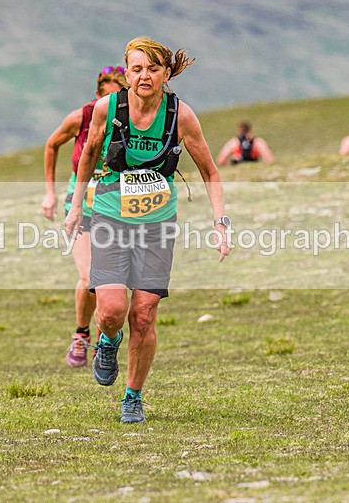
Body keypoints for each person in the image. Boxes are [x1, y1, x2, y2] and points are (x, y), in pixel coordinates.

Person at [66, 36, 231, 424]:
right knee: (111, 311)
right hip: (109, 216)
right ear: (126, 72)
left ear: (166, 73)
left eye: (153, 69)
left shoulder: (181, 116)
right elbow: (89, 153)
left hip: (157, 224)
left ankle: (133, 397)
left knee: (143, 314)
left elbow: (210, 171)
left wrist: (221, 223)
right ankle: (107, 340)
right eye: (136, 69)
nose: (144, 76)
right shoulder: (110, 107)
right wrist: (75, 207)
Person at [42, 66, 128, 368]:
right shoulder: (81, 117)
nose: (111, 104)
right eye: (107, 96)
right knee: (90, 276)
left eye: (118, 95)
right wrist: (50, 193)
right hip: (82, 206)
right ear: (97, 96)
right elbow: (52, 144)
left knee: (111, 282)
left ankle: (104, 341)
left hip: (117, 208)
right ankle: (81, 334)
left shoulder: (135, 119)